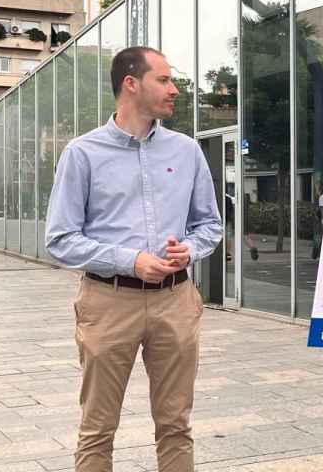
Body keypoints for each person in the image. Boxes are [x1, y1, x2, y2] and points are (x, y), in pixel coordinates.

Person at [46, 46, 223, 472]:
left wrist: (191, 250)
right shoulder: (83, 153)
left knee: (176, 425)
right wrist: (130, 260)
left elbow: (210, 226)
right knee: (97, 429)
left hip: (175, 301)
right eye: (163, 79)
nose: (174, 89)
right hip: (108, 302)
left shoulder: (186, 151)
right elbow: (60, 239)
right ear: (131, 83)